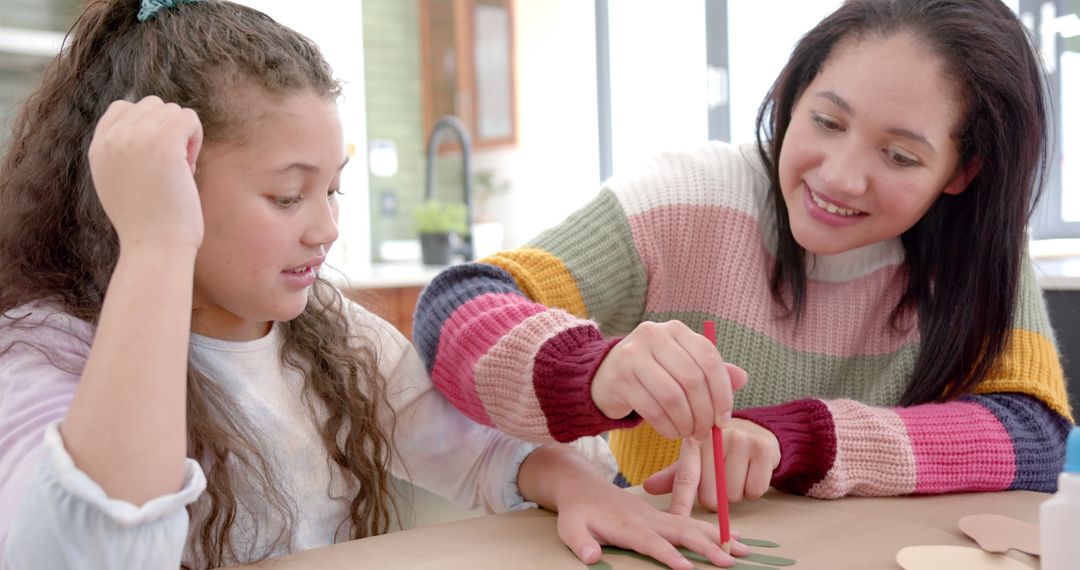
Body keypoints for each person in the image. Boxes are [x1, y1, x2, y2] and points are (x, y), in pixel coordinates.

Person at [0, 1, 751, 569]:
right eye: (288, 196)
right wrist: (157, 242)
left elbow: (476, 450)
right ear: (166, 188)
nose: (324, 229)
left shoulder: (320, 325)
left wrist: (579, 486)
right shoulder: (44, 348)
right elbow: (85, 549)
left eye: (333, 191)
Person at [414, 0, 1075, 516]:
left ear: (963, 172)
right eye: (826, 121)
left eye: (900, 156)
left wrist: (803, 441)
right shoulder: (692, 197)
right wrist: (595, 368)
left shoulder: (977, 246)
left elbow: (1031, 435)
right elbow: (456, 310)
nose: (840, 177)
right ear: (795, 90)